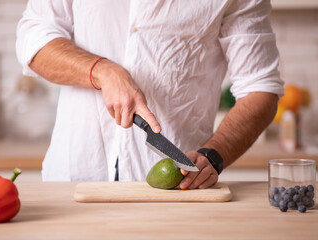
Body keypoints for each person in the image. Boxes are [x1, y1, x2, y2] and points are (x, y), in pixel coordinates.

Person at [16, 0, 284, 189]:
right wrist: (101, 70)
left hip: (177, 189)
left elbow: (260, 88)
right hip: (73, 177)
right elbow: (34, 38)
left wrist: (214, 154)